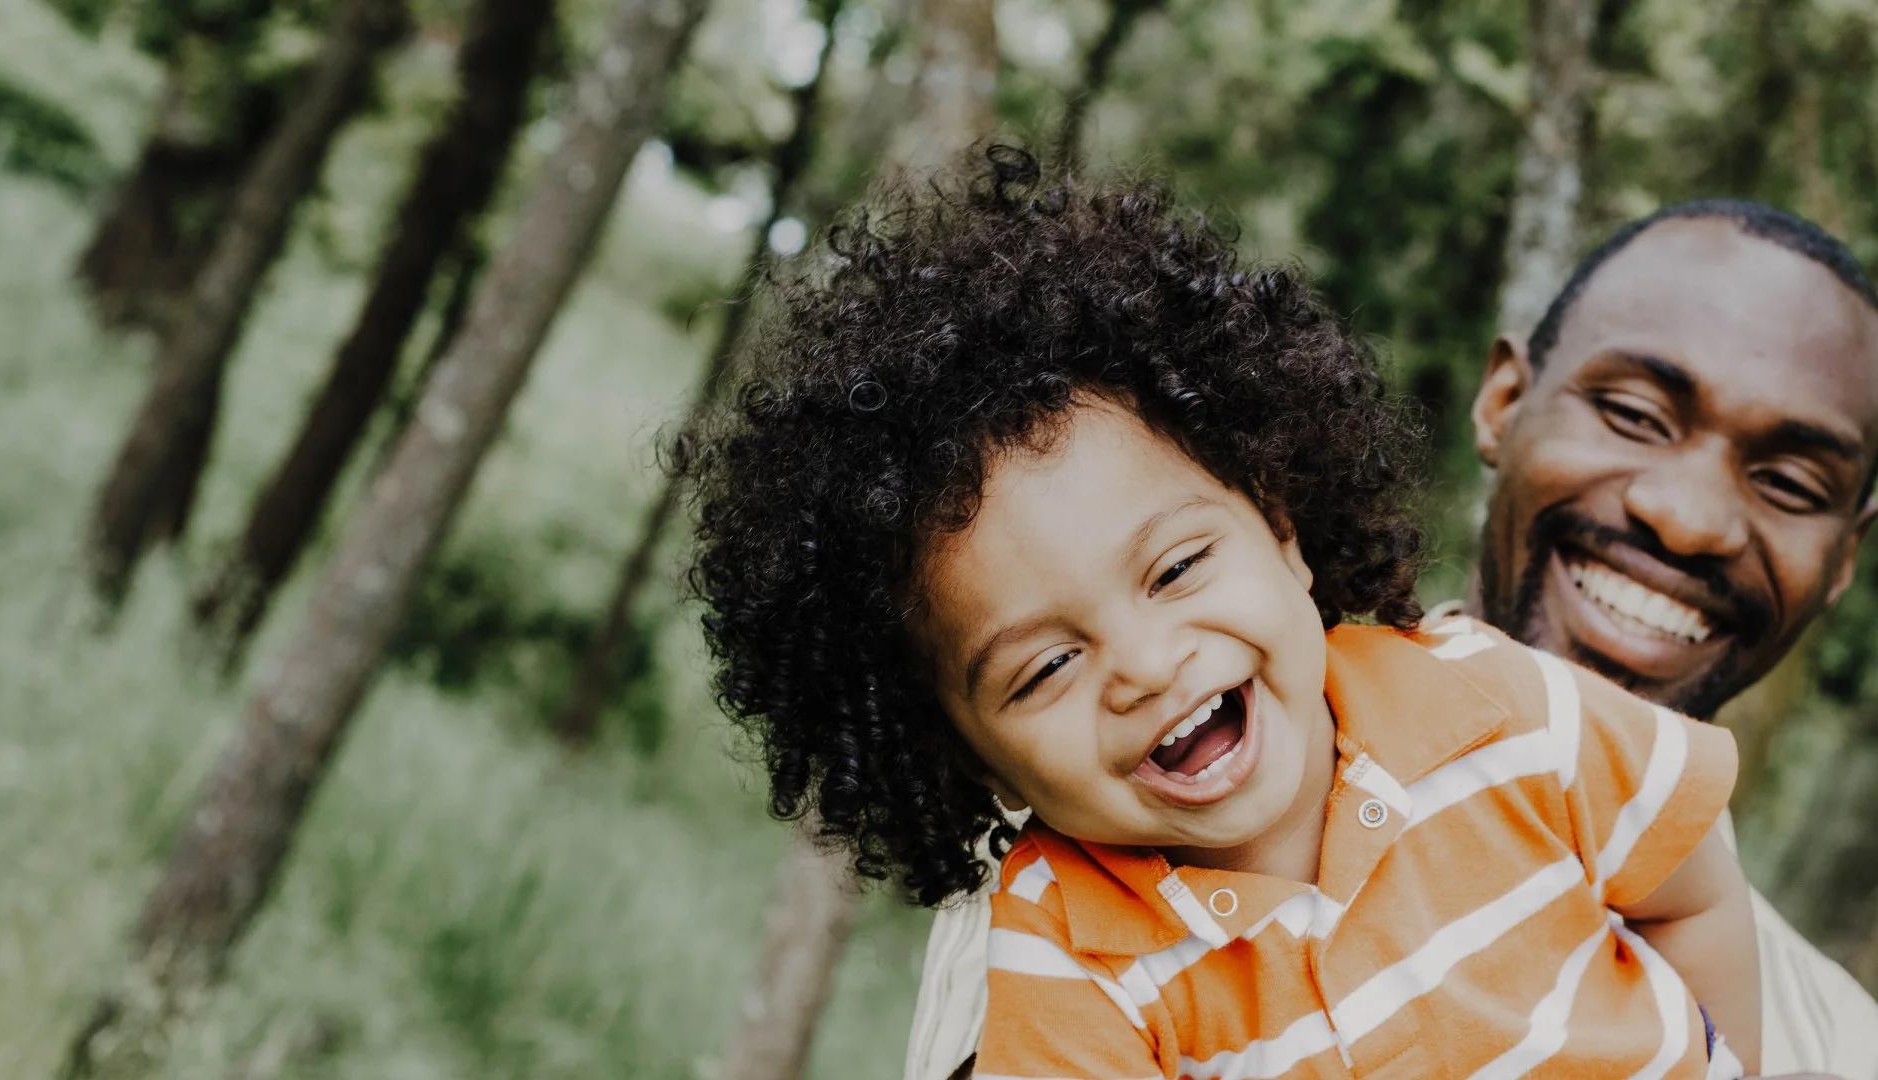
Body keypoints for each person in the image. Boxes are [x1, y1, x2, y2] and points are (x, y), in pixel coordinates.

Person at [681, 149, 1764, 1077]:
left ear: (1282, 531)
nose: (1146, 666)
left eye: (1177, 568)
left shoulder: (1491, 702)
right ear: (972, 761)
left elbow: (1696, 890)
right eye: (1044, 669)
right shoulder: (1071, 954)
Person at [906, 198, 1878, 1079]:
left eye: (1791, 482)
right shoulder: (1059, 938)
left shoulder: (1835, 1034)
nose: (1690, 519)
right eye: (1632, 413)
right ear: (1502, 403)